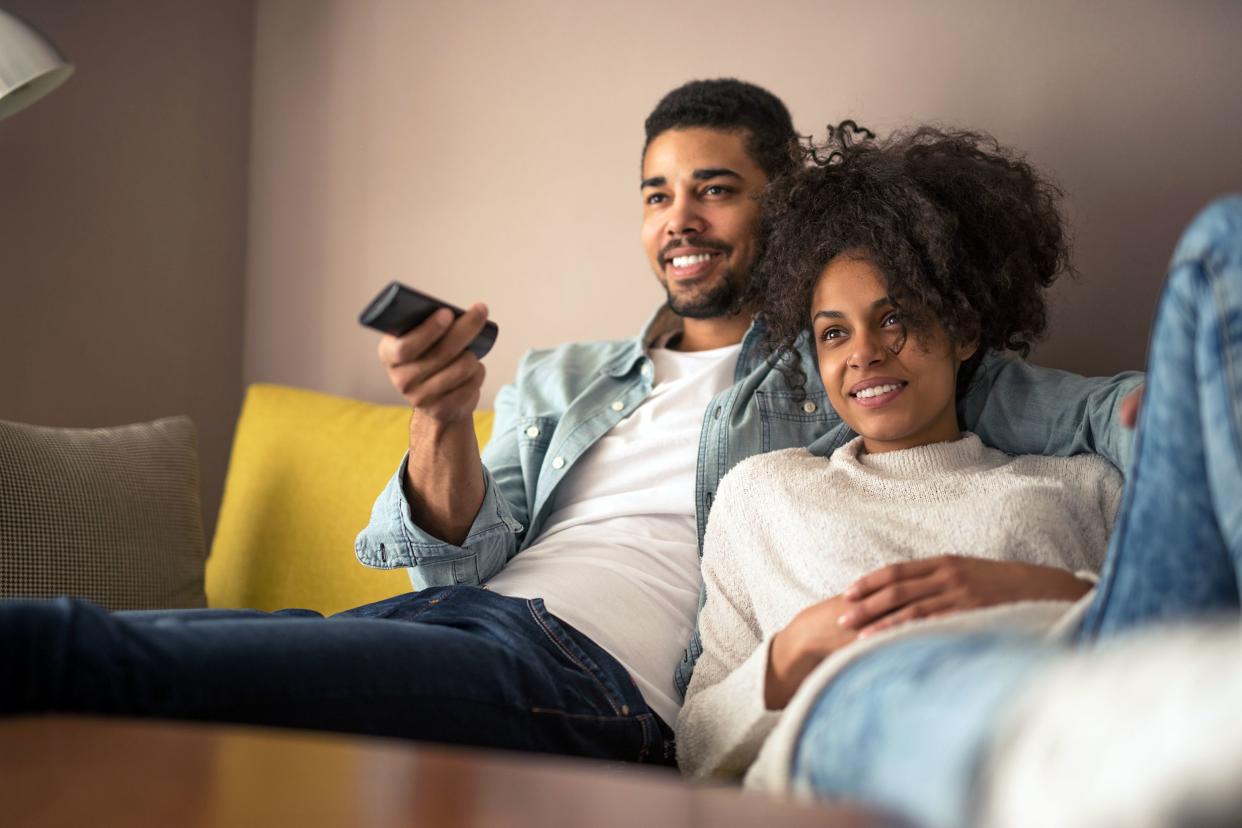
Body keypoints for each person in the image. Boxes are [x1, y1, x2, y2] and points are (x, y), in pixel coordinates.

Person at [0, 80, 1137, 765]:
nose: (679, 219)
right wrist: (440, 421)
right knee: (140, 654)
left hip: (592, 685)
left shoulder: (847, 361)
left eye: (715, 187)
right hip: (465, 627)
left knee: (83, 653)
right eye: (656, 193)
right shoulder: (566, 378)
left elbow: (1110, 424)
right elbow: (455, 552)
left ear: (782, 203)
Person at [677, 124, 1242, 826]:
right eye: (834, 333)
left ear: (963, 332)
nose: (864, 354)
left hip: (1096, 665)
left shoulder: (1080, 482)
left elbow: (1147, 620)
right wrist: (793, 652)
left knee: (1228, 241)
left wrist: (1046, 589)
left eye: (896, 319)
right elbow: (694, 745)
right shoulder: (763, 493)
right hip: (873, 698)